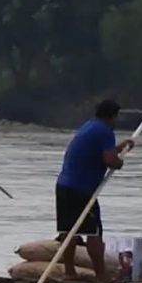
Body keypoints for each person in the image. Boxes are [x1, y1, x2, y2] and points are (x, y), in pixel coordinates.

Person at [53, 97, 127, 243]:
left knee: (68, 234)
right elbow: (110, 160)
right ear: (112, 116)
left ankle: (69, 267)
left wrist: (121, 148)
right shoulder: (105, 131)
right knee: (94, 233)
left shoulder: (89, 126)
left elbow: (99, 153)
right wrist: (119, 162)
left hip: (64, 186)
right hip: (81, 191)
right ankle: (99, 267)